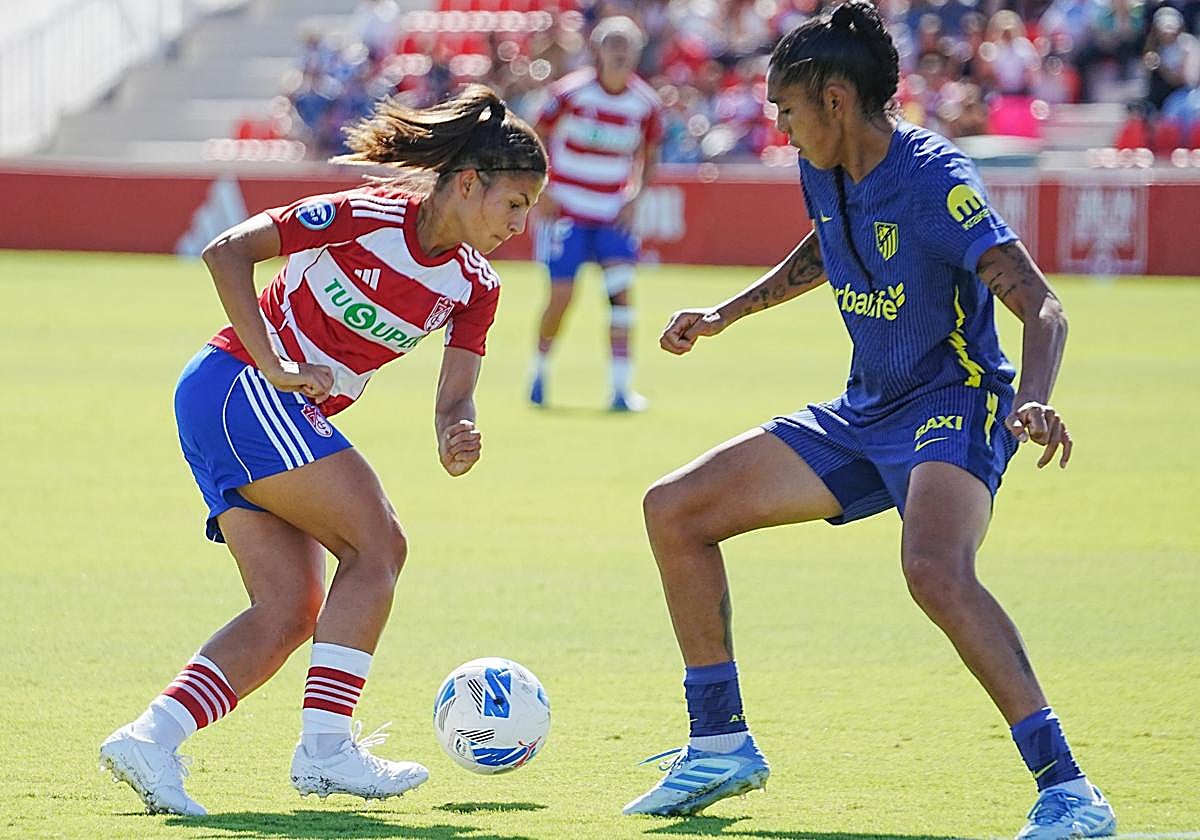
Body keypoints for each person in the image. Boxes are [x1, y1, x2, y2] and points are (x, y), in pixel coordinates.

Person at [623, 4, 1117, 839]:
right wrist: (726, 315)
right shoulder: (824, 169)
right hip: (864, 409)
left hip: (953, 402)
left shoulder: (936, 178)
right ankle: (719, 743)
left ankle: (1069, 790)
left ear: (837, 100)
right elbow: (824, 247)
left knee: (933, 567)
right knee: (674, 510)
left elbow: (1041, 303)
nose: (779, 128)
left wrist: (1033, 395)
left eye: (787, 111)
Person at [98, 84, 547, 816]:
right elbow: (227, 252)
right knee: (380, 546)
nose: (521, 226)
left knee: (289, 608)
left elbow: (454, 398)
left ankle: (150, 739)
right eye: (515, 205)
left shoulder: (474, 287)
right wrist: (274, 361)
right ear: (469, 183)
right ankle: (327, 750)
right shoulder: (369, 215)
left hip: (255, 409)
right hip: (237, 386)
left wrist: (455, 433)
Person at [528, 15, 664, 412]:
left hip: (611, 213)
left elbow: (651, 157)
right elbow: (534, 134)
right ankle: (538, 374)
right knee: (561, 298)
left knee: (622, 295)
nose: (621, 54)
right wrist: (543, 187)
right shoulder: (569, 94)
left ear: (638, 53)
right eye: (613, 45)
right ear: (598, 51)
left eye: (628, 46)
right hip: (567, 211)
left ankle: (621, 390)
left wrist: (635, 198)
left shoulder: (647, 104)